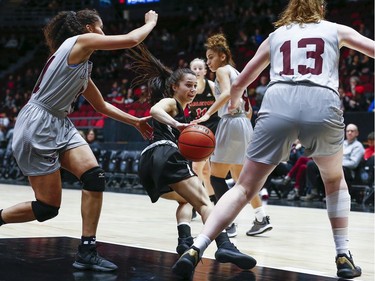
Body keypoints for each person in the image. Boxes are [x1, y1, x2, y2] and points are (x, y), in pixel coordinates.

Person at [173, 0, 374, 279]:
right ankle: (343, 255)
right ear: (320, 6)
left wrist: (233, 101)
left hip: (278, 100)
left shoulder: (276, 36)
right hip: (321, 99)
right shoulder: (336, 29)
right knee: (334, 181)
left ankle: (196, 247)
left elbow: (243, 79)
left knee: (243, 187)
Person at [0, 8, 158, 272]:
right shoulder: (77, 42)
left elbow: (102, 106)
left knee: (95, 177)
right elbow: (131, 39)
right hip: (37, 123)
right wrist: (151, 22)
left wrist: (135, 121)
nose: (103, 32)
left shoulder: (81, 66)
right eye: (101, 27)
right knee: (47, 208)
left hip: (60, 123)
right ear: (88, 28)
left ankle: (87, 249)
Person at [127, 44, 256, 271]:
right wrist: (177, 124)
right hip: (166, 154)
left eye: (195, 86)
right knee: (206, 203)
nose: (193, 89)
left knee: (185, 200)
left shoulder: (183, 109)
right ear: (174, 86)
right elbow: (157, 110)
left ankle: (184, 241)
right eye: (188, 85)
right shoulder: (172, 103)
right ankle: (225, 245)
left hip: (148, 163)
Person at [191, 34, 272, 237]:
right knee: (240, 178)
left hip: (230, 122)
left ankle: (228, 223)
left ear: (222, 56)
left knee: (215, 176)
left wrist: (209, 113)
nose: (208, 62)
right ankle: (261, 217)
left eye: (210, 57)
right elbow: (250, 109)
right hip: (244, 123)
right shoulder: (236, 71)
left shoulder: (221, 71)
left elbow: (227, 93)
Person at [302, 123, 365, 201]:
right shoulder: (341, 143)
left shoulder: (358, 146)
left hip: (348, 170)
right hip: (334, 165)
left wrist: (336, 163)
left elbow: (353, 164)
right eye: (347, 131)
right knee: (311, 164)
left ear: (357, 133)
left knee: (340, 169)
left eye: (352, 131)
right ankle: (314, 192)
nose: (349, 133)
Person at [188, 58, 219, 207]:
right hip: (196, 131)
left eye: (201, 68)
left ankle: (196, 202)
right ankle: (212, 199)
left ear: (206, 71)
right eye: (195, 68)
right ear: (190, 71)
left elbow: (223, 103)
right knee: (205, 171)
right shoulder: (188, 91)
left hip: (212, 129)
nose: (198, 71)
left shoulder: (211, 86)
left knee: (196, 168)